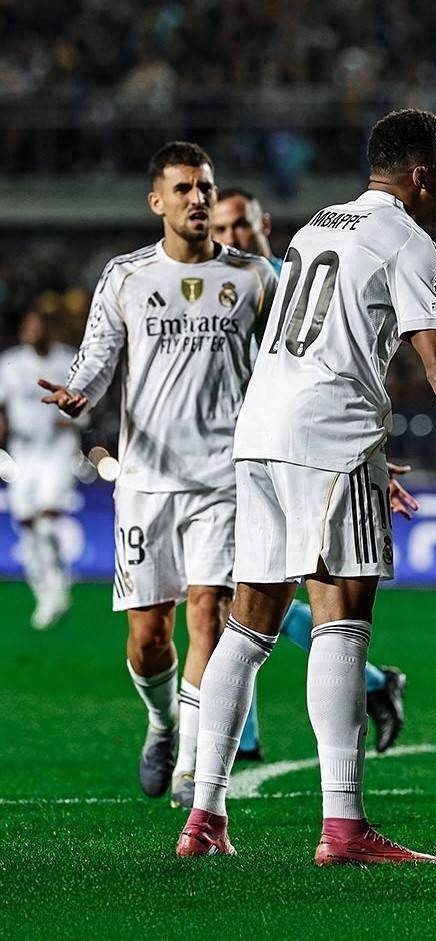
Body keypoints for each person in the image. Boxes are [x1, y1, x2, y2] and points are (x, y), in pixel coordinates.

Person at [176, 108, 436, 864]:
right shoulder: (410, 241)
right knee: (341, 617)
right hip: (328, 436)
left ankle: (204, 816)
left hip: (262, 432)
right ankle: (343, 827)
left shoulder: (318, 226)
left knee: (248, 624)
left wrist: (368, 458)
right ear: (420, 174)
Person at [40, 142, 279, 810]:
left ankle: (193, 774)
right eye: (184, 189)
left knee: (210, 615)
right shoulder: (127, 276)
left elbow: (294, 361)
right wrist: (80, 394)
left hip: (224, 477)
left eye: (205, 187)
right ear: (157, 202)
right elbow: (97, 358)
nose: (198, 198)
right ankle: (163, 722)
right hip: (147, 482)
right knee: (149, 638)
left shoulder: (255, 278)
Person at [211, 186, 410, 759]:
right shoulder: (219, 292)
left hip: (294, 454)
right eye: (221, 230)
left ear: (264, 224)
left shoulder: (289, 281)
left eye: (241, 226)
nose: (231, 238)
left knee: (249, 601)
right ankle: (375, 683)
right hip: (241, 452)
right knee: (241, 600)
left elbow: (338, 371)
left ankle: (244, 744)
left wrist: (358, 455)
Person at [0, 310, 80, 629]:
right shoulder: (10, 362)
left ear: (49, 330)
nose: (31, 332)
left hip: (58, 448)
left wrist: (76, 417)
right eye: (27, 326)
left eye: (37, 327)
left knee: (47, 522)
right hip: (22, 450)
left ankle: (57, 588)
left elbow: (88, 399)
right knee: (27, 524)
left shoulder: (68, 360)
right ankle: (45, 592)